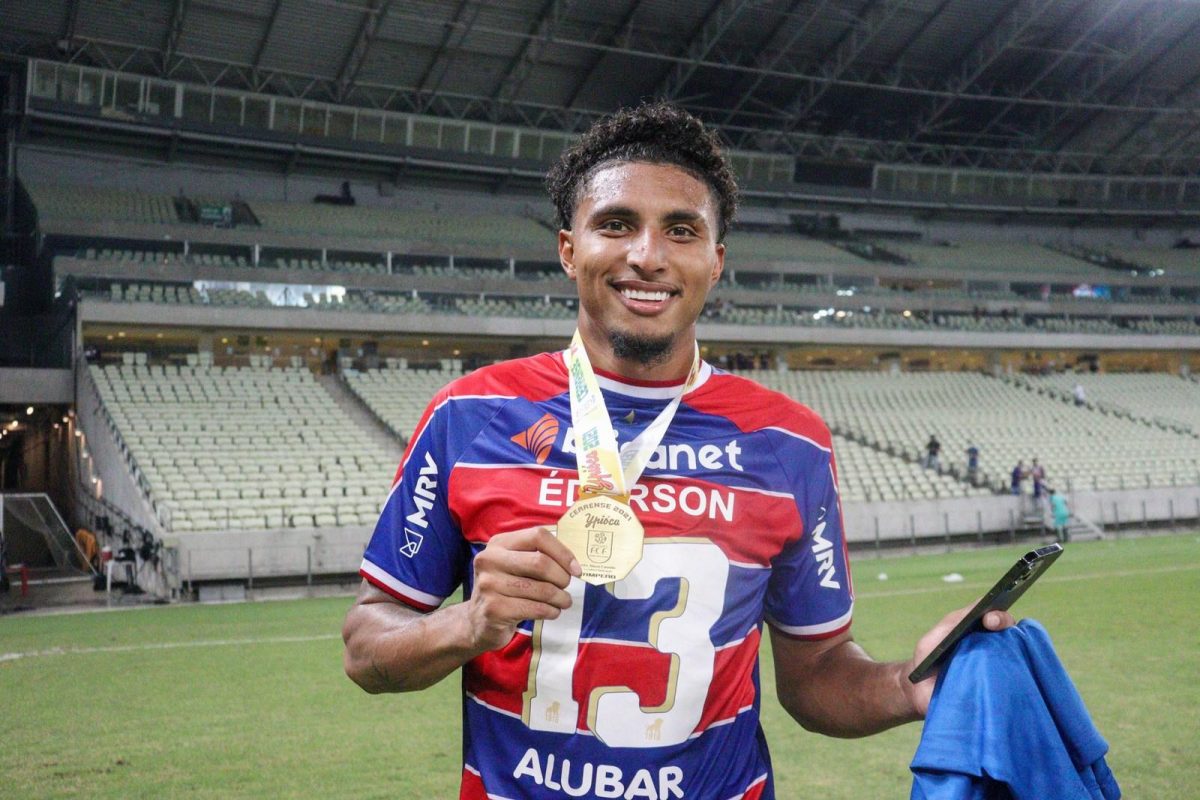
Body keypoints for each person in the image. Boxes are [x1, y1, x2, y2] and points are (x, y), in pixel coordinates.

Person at [341, 102, 1013, 800]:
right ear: (569, 247)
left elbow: (817, 679)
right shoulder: (466, 417)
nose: (647, 255)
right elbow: (367, 647)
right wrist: (468, 622)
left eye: (681, 231)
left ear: (715, 262)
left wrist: (912, 685)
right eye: (616, 224)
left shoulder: (789, 444)